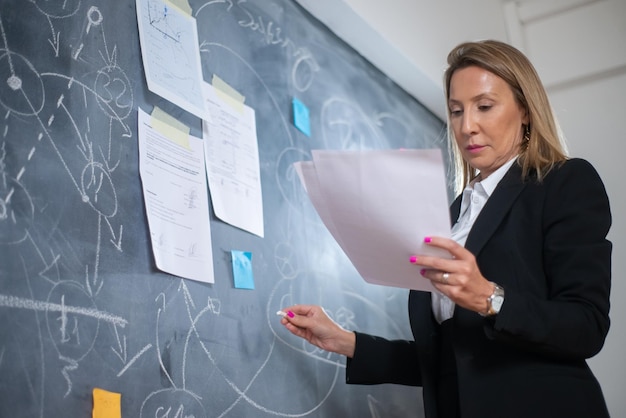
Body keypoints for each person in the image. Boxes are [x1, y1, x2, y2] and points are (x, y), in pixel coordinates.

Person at [279, 39, 612, 418]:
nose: (467, 126)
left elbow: (586, 326)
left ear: (525, 110)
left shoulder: (563, 182)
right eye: (456, 111)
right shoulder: (451, 215)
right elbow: (450, 359)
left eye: (484, 107)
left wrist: (490, 298)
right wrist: (346, 341)